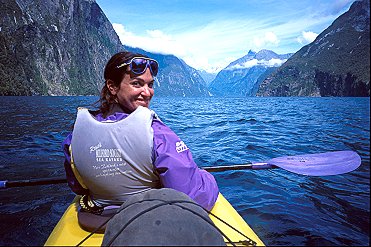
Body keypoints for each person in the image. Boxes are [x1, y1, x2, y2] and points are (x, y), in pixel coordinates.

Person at [62, 51, 219, 217]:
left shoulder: (75, 136)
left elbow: (78, 186)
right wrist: (206, 178)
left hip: (97, 216)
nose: (147, 92)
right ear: (112, 86)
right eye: (137, 84)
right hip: (146, 219)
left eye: (150, 85)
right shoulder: (156, 134)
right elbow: (195, 198)